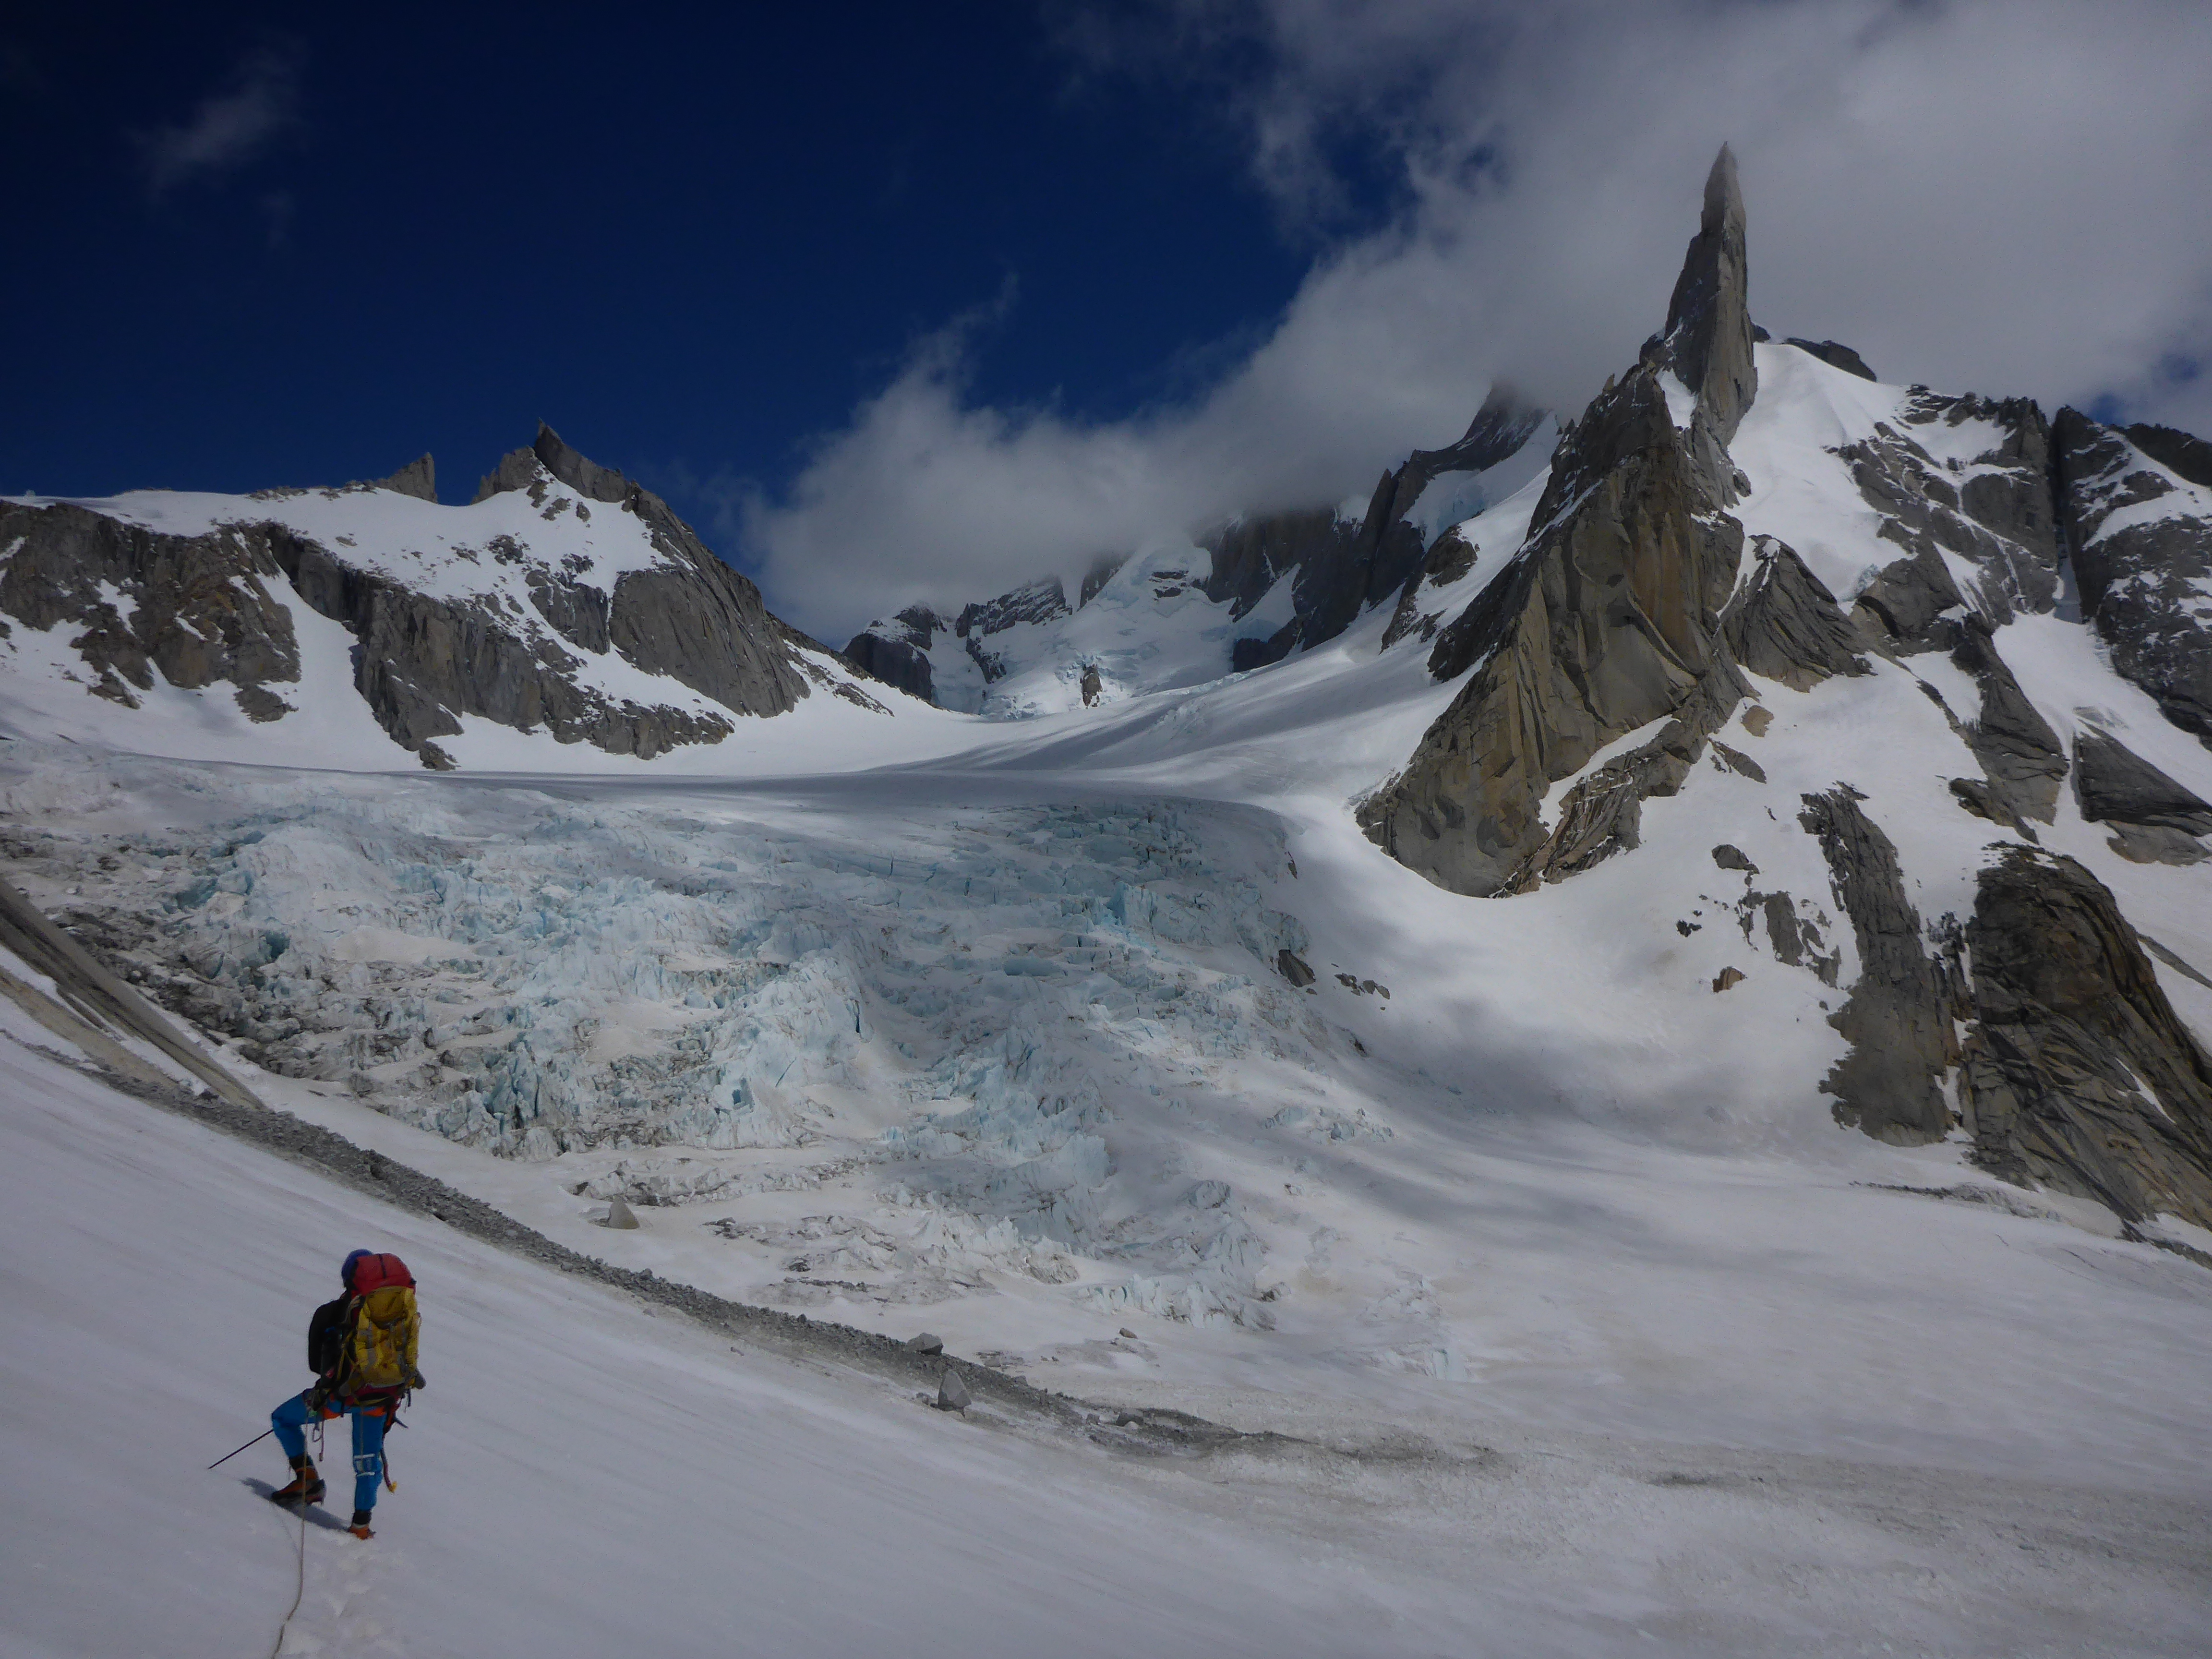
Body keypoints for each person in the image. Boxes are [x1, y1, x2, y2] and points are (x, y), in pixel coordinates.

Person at [269, 1249, 423, 1539]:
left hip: (337, 1398)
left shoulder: (330, 1313)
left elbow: (317, 1365)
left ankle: (308, 1479)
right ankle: (361, 1527)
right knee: (367, 1463)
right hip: (380, 1400)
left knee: (283, 1419)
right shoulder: (401, 1315)